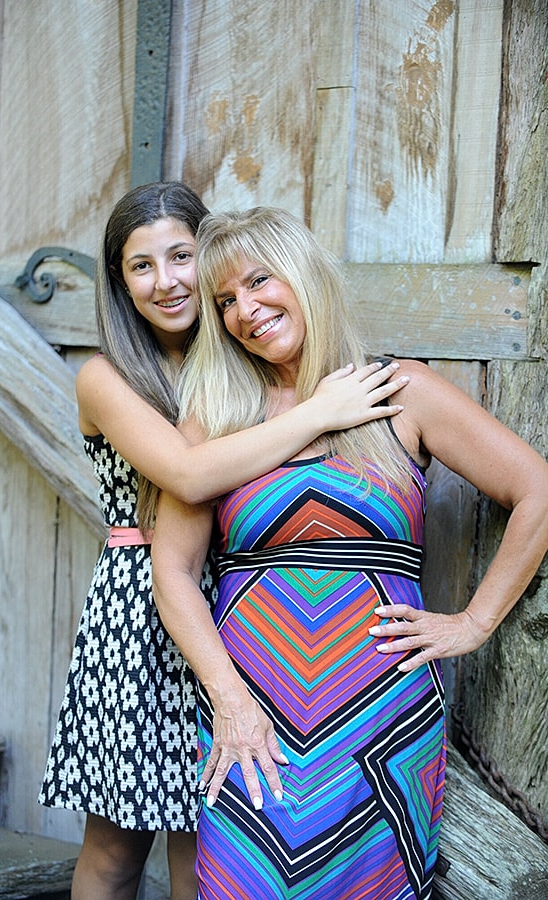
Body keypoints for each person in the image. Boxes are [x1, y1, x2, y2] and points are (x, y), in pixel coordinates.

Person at [151, 206, 548, 900]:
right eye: (224, 302)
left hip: (379, 716)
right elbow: (174, 572)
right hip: (249, 708)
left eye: (258, 281)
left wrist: (472, 623)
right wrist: (228, 699)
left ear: (302, 275)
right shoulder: (216, 415)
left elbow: (536, 491)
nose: (245, 310)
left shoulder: (400, 393)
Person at [38, 184, 408, 900]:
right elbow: (187, 472)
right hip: (143, 612)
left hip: (239, 604)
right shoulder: (108, 376)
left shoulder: (249, 360)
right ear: (118, 282)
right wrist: (321, 412)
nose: (166, 280)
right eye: (139, 265)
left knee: (209, 841)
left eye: (180, 256)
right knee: (116, 845)